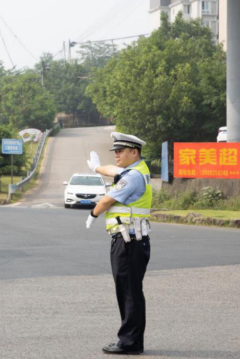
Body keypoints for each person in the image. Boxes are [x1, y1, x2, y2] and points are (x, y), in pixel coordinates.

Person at [86, 132, 152, 355]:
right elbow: (112, 171)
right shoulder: (136, 170)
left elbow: (107, 200)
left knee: (129, 292)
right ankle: (133, 340)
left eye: (120, 151)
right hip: (132, 241)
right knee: (131, 291)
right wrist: (96, 168)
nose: (116, 155)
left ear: (134, 152)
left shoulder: (132, 177)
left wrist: (93, 214)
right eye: (115, 151)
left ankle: (129, 342)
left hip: (128, 242)